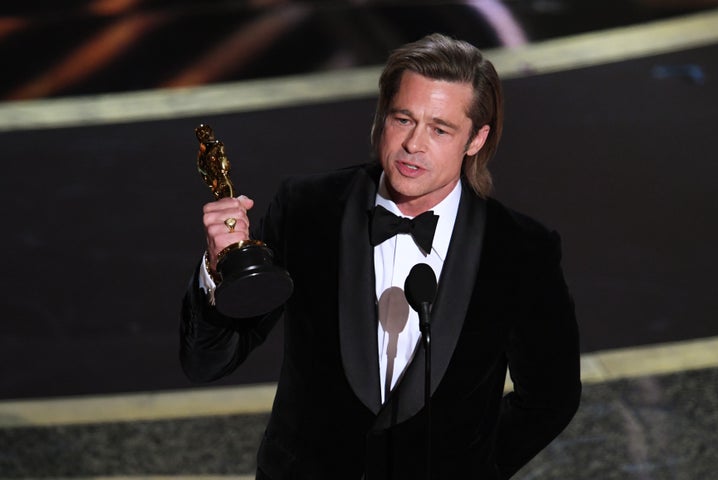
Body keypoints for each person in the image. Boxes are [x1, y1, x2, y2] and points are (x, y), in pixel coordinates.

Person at [180, 33, 581, 479]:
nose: (414, 144)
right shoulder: (308, 208)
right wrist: (220, 270)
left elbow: (551, 398)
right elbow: (209, 361)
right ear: (382, 117)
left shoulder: (521, 248)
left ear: (476, 138)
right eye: (403, 119)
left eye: (440, 129)